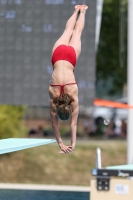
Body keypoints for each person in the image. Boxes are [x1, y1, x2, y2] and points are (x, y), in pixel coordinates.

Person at [49, 5, 88, 154]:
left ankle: (82, 10)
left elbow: (73, 125)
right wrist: (60, 143)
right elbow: (54, 124)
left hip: (70, 57)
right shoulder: (53, 97)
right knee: (68, 31)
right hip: (58, 55)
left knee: (76, 33)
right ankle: (75, 11)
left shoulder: (73, 97)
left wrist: (72, 144)